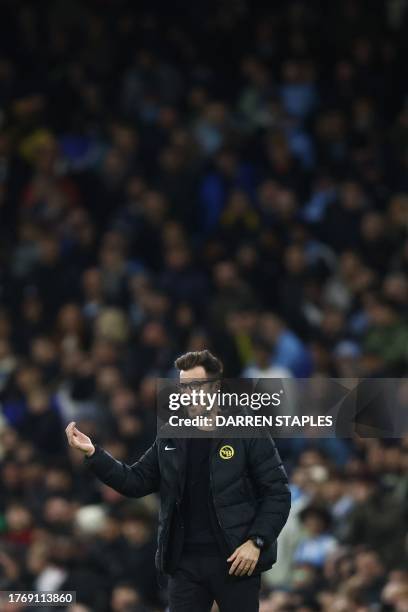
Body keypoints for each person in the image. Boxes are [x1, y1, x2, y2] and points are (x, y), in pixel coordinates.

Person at [65, 349, 291, 612]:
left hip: (235, 560)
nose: (188, 395)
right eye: (184, 387)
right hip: (184, 562)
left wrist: (256, 542)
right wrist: (94, 453)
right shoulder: (171, 435)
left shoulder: (248, 431)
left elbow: (278, 493)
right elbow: (136, 481)